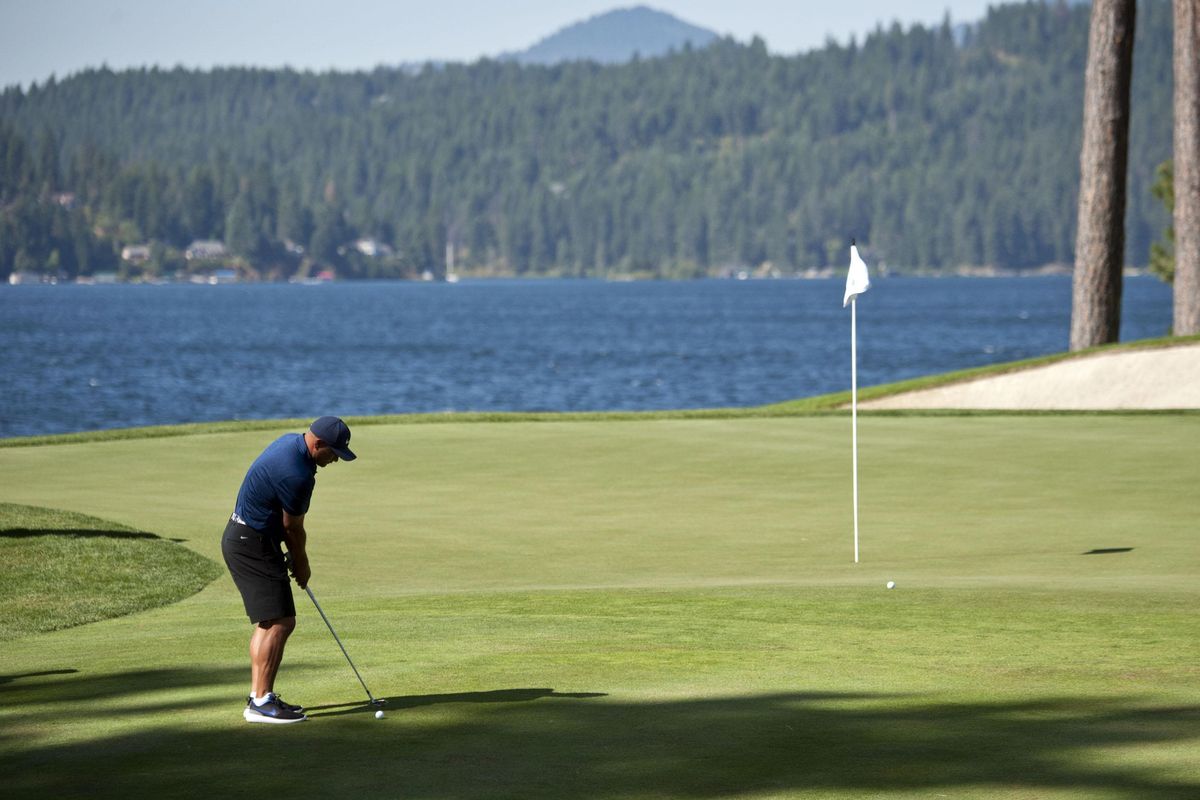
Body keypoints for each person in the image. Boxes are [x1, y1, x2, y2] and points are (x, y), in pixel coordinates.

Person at [221, 415, 357, 724]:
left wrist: (293, 558)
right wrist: (302, 563)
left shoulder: (289, 442)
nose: (335, 459)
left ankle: (260, 696)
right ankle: (260, 703)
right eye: (334, 452)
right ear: (317, 443)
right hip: (251, 544)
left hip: (246, 538)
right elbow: (292, 528)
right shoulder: (297, 474)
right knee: (281, 621)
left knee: (271, 620)